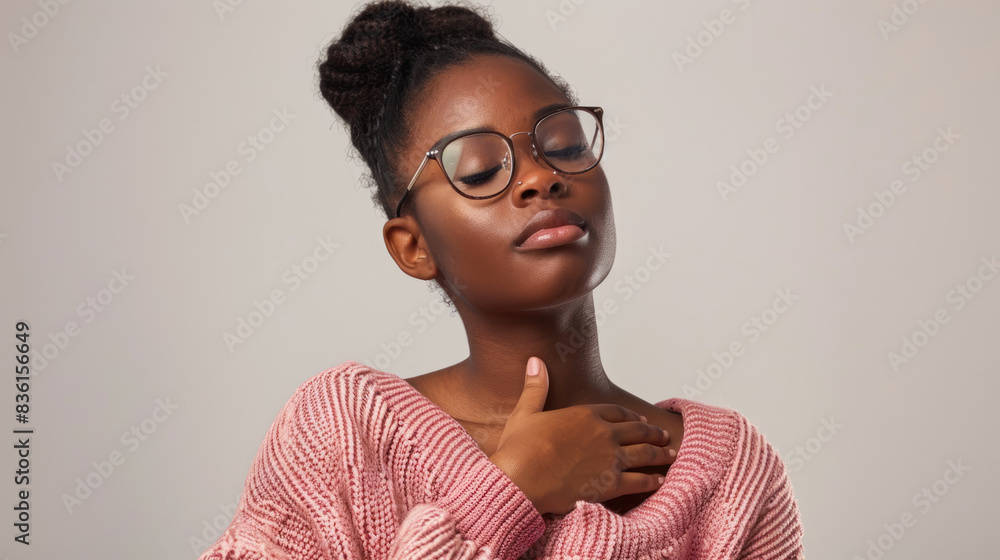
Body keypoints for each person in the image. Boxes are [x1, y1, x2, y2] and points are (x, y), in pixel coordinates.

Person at [197, 1, 805, 558]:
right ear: (413, 247)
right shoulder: (343, 434)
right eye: (482, 169)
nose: (540, 178)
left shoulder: (731, 474)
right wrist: (506, 493)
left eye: (563, 145)